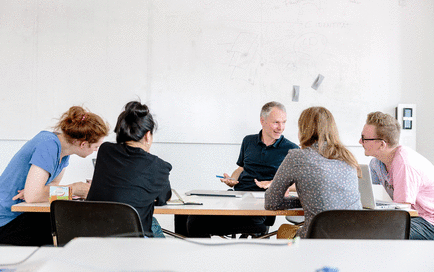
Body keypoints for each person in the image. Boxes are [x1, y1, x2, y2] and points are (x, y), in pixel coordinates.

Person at [0, 106, 109, 246]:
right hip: (1, 221)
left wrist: (37, 191)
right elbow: (33, 196)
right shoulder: (49, 145)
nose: (96, 151)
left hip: (18, 213)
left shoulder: (64, 153)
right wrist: (74, 189)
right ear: (83, 144)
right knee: (68, 229)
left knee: (69, 223)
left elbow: (50, 186)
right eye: (96, 147)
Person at [186, 101, 299, 237]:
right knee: (191, 217)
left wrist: (273, 183)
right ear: (262, 121)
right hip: (238, 198)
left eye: (284, 122)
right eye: (276, 122)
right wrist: (233, 179)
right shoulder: (248, 141)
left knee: (196, 223)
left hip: (261, 206)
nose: (281, 127)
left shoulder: (291, 149)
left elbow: (298, 183)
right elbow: (241, 168)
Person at [265, 106, 362, 238]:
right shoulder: (348, 157)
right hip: (354, 238)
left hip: (318, 239)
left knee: (284, 230)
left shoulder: (297, 157)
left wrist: (299, 201)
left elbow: (271, 202)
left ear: (303, 130)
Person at [86, 101, 172, 238]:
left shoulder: (105, 150)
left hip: (95, 236)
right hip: (133, 242)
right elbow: (162, 199)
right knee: (155, 228)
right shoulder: (159, 166)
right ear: (147, 135)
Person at [359, 111, 434, 240]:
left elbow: (401, 212)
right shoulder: (376, 163)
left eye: (364, 138)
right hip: (412, 217)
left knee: (383, 232)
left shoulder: (404, 164)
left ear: (382, 144)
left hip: (428, 221)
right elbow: (371, 198)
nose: (360, 142)